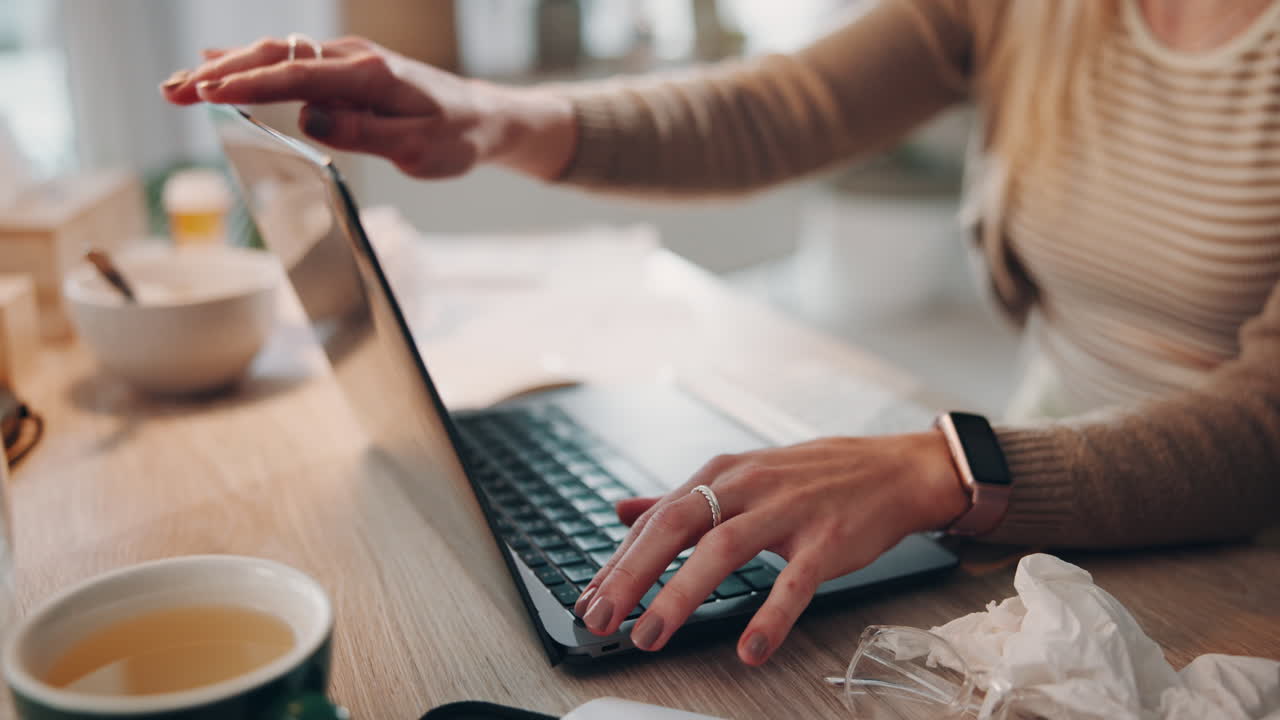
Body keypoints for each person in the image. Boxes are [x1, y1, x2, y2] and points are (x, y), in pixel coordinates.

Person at [162, 0, 1280, 667]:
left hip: (1226, 550)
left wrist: (945, 463)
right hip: (1025, 498)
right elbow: (776, 110)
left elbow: (1263, 432)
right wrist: (485, 115)